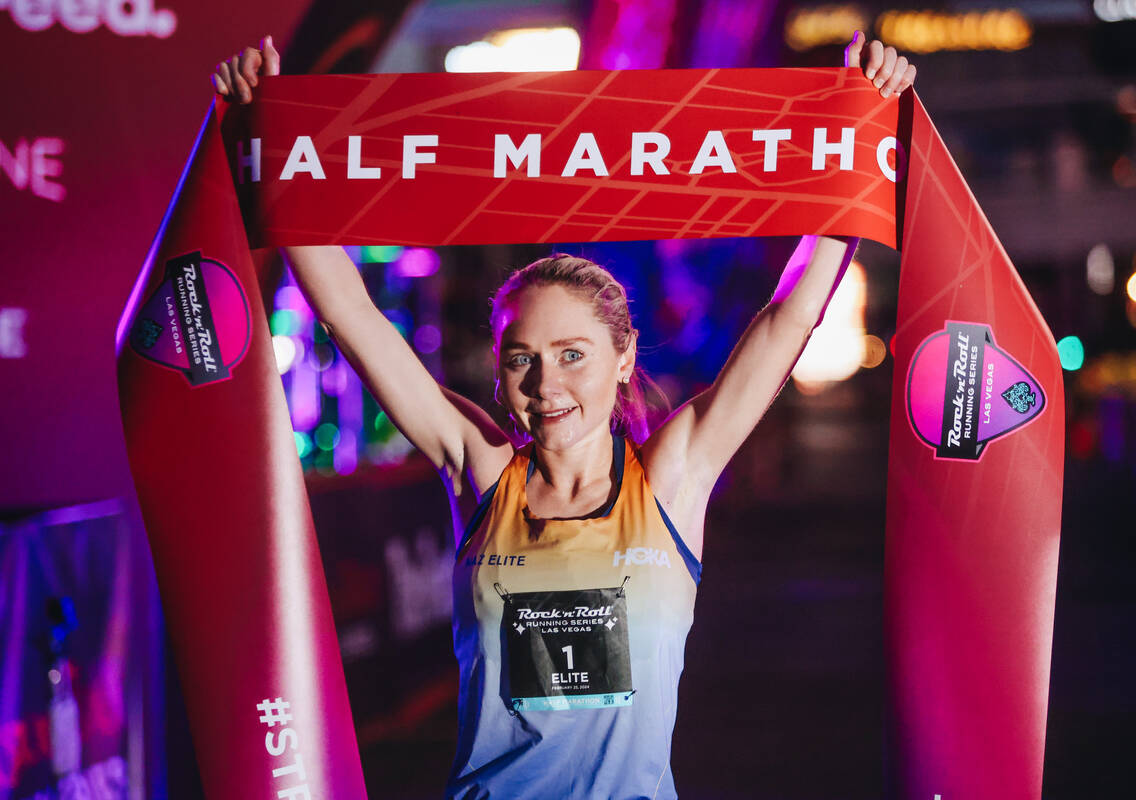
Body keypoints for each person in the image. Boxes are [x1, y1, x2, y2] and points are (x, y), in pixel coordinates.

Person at [213, 31, 915, 800]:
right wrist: (267, 134)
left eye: (573, 354)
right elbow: (352, 316)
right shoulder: (479, 467)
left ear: (623, 358)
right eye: (522, 357)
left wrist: (856, 133)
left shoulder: (673, 478)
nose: (546, 382)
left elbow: (787, 322)